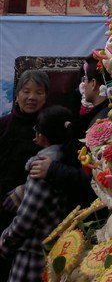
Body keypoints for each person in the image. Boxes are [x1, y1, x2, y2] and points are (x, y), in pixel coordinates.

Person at [0, 106, 73, 282]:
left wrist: (4, 241)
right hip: (55, 249)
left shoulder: (41, 168)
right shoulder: (68, 160)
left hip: (32, 255)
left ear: (41, 136)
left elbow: (25, 219)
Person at [28, 55, 109, 209]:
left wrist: (54, 170)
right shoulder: (94, 114)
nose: (82, 85)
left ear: (93, 83)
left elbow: (96, 175)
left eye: (85, 80)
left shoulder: (102, 124)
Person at [0, 71, 49, 220]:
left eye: (39, 92)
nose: (32, 97)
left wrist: (26, 189)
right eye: (26, 91)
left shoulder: (51, 128)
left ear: (46, 97)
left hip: (35, 206)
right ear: (17, 94)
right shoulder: (2, 125)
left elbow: (58, 167)